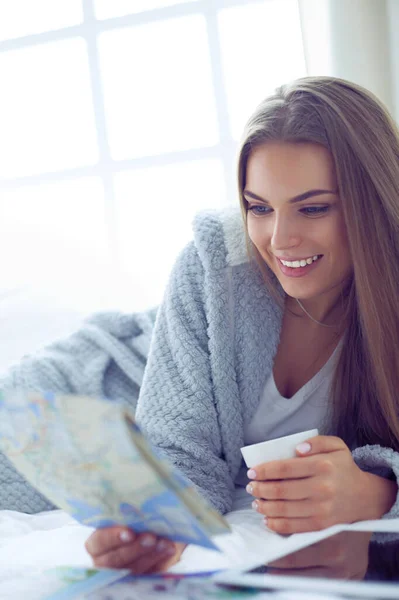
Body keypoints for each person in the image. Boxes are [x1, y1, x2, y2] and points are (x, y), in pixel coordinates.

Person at [1, 76, 399, 575]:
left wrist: (377, 491)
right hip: (80, 393)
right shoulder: (216, 266)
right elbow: (177, 449)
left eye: (314, 208)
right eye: (258, 207)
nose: (280, 240)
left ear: (375, 201)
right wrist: (164, 524)